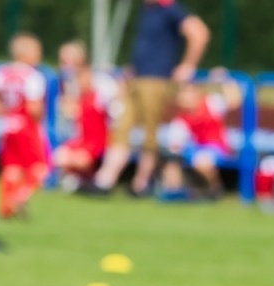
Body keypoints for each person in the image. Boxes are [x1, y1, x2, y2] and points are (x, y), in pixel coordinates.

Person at [86, 0, 209, 197]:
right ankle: (105, 181)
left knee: (150, 134)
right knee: (121, 129)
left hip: (156, 81)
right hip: (137, 79)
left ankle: (140, 184)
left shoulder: (170, 9)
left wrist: (188, 65)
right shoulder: (148, 10)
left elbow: (199, 33)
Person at [0, 33, 50, 220]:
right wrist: (40, 119)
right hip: (27, 127)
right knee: (41, 167)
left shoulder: (3, 72)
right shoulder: (33, 76)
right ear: (27, 53)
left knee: (12, 167)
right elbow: (34, 107)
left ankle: (5, 207)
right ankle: (19, 197)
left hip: (8, 125)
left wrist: (0, 111)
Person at [160, 70, 242, 199]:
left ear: (195, 92)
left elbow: (235, 100)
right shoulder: (180, 120)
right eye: (181, 94)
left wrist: (225, 79)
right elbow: (175, 144)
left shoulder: (211, 103)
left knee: (202, 160)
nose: (182, 97)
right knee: (172, 162)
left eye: (185, 92)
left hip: (216, 148)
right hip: (195, 149)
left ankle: (214, 189)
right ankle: (176, 192)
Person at [53, 40, 118, 189]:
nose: (66, 66)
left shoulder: (103, 87)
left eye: (70, 61)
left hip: (99, 140)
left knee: (77, 159)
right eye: (63, 61)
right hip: (80, 139)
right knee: (58, 157)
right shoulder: (69, 85)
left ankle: (87, 179)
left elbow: (115, 112)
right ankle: (76, 179)